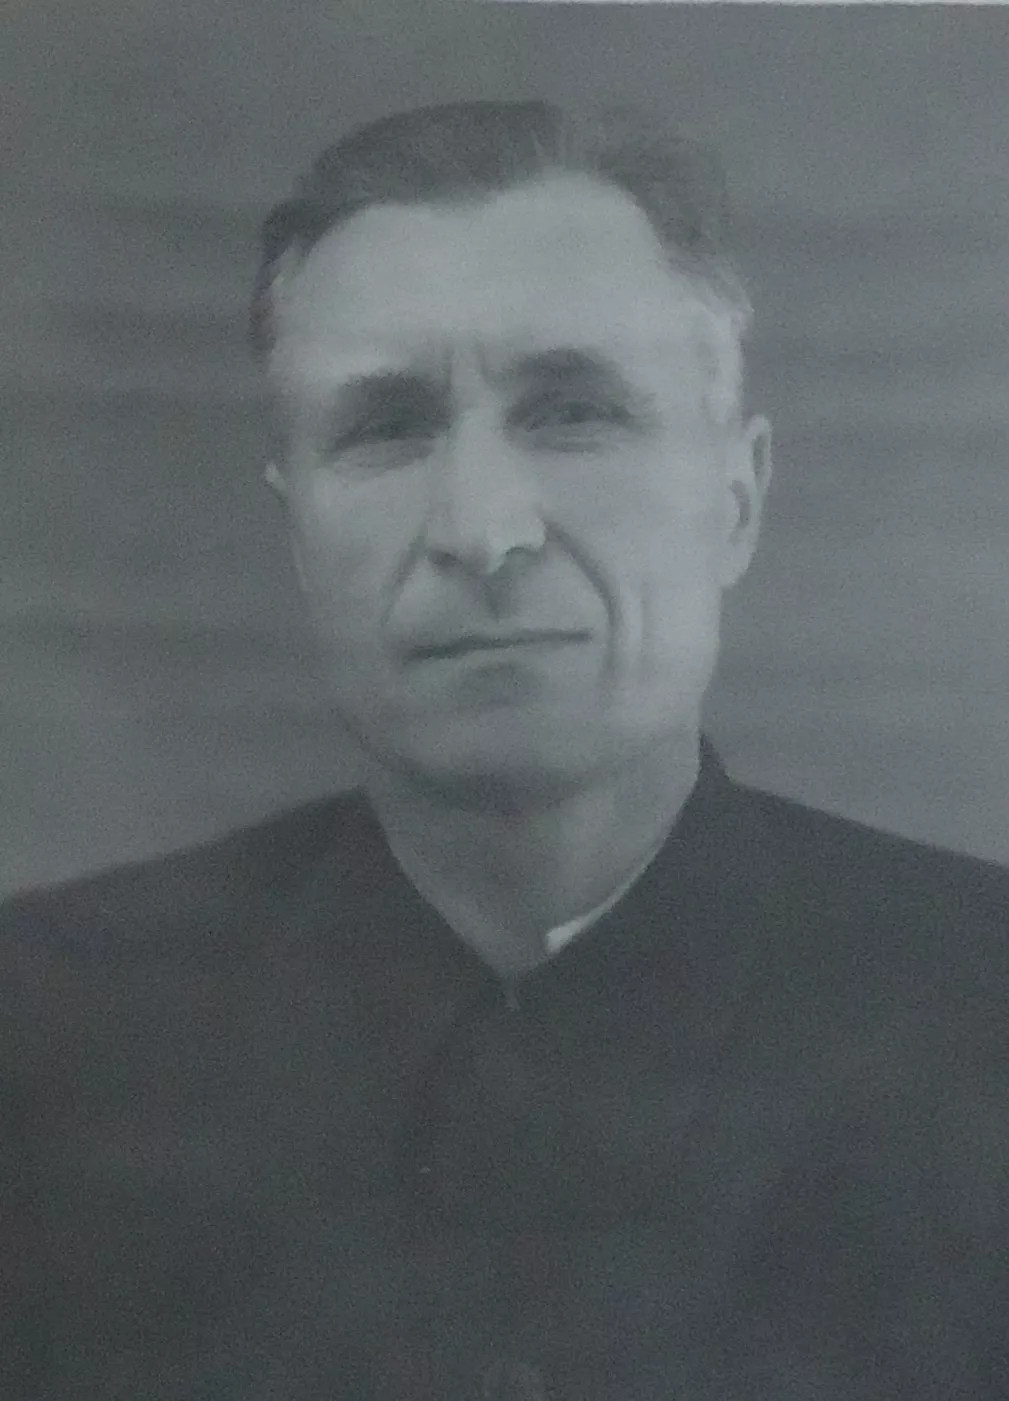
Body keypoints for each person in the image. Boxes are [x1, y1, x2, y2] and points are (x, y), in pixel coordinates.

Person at [2, 99, 1007, 1401]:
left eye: (575, 411)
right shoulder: (42, 1034)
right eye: (385, 428)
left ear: (736, 501)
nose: (483, 530)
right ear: (297, 533)